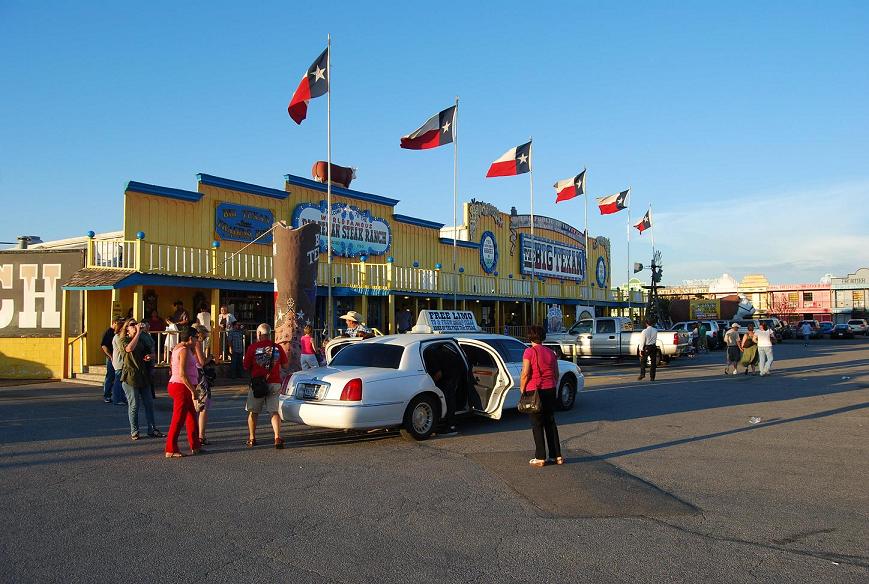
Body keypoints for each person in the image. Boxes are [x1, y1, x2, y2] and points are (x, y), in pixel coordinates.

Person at [520, 325, 563, 467]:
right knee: (550, 422)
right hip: (550, 389)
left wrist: (522, 389)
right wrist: (552, 384)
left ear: (529, 337)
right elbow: (556, 373)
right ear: (543, 337)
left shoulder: (529, 352)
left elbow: (526, 373)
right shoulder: (551, 352)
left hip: (535, 390)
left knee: (537, 424)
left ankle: (540, 457)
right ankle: (557, 456)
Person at [243, 323, 288, 449]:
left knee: (253, 412)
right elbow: (285, 366)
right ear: (270, 334)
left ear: (258, 334)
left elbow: (246, 366)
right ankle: (277, 437)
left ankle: (252, 438)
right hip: (274, 382)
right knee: (274, 411)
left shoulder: (253, 348)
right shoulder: (278, 348)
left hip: (257, 384)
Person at [120, 318, 162, 440]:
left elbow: (153, 352)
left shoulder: (142, 339)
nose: (134, 326)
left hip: (143, 375)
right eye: (132, 325)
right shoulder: (124, 340)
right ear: (127, 329)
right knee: (134, 405)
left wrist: (150, 356)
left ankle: (152, 428)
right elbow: (129, 349)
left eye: (135, 324)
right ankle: (135, 431)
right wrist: (137, 333)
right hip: (130, 377)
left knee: (149, 403)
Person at [164, 327, 203, 458]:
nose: (197, 340)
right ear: (190, 338)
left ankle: (195, 445)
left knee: (191, 415)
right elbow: (182, 373)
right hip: (182, 386)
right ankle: (171, 448)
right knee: (178, 418)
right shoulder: (184, 350)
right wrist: (193, 390)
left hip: (180, 384)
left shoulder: (178, 348)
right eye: (196, 338)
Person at [427, 343, 465, 436]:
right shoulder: (447, 351)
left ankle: (450, 426)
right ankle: (450, 424)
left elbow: (438, 374)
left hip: (448, 378)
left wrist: (431, 384)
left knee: (448, 400)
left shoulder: (430, 354)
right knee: (450, 399)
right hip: (453, 375)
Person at [100, 318, 122, 403]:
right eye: (119, 323)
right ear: (115, 323)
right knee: (110, 376)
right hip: (111, 358)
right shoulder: (109, 332)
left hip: (117, 357)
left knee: (116, 377)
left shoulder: (118, 333)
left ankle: (117, 395)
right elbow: (104, 346)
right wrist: (110, 356)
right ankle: (107, 395)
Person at [110, 319, 127, 405]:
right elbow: (123, 349)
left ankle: (122, 398)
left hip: (118, 361)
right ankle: (117, 399)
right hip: (119, 361)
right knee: (118, 381)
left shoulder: (117, 337)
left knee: (121, 381)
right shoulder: (118, 337)